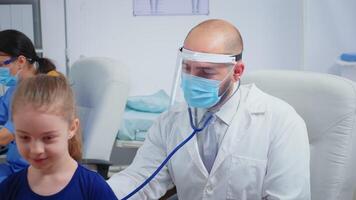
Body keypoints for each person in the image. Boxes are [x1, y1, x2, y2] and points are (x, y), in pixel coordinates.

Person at [108, 19, 311, 199]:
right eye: (187, 68)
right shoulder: (171, 121)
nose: (192, 79)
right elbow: (141, 179)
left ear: (237, 71)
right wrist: (94, 192)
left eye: (205, 72)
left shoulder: (281, 122)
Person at [0, 75, 118, 199]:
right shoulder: (10, 188)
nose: (36, 150)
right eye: (24, 137)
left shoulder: (92, 187)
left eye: (48, 138)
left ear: (72, 128)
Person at [0, 29, 62, 182]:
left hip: (35, 171)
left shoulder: (41, 92)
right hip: (14, 167)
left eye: (0, 64)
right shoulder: (15, 90)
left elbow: (4, 138)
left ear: (20, 61)